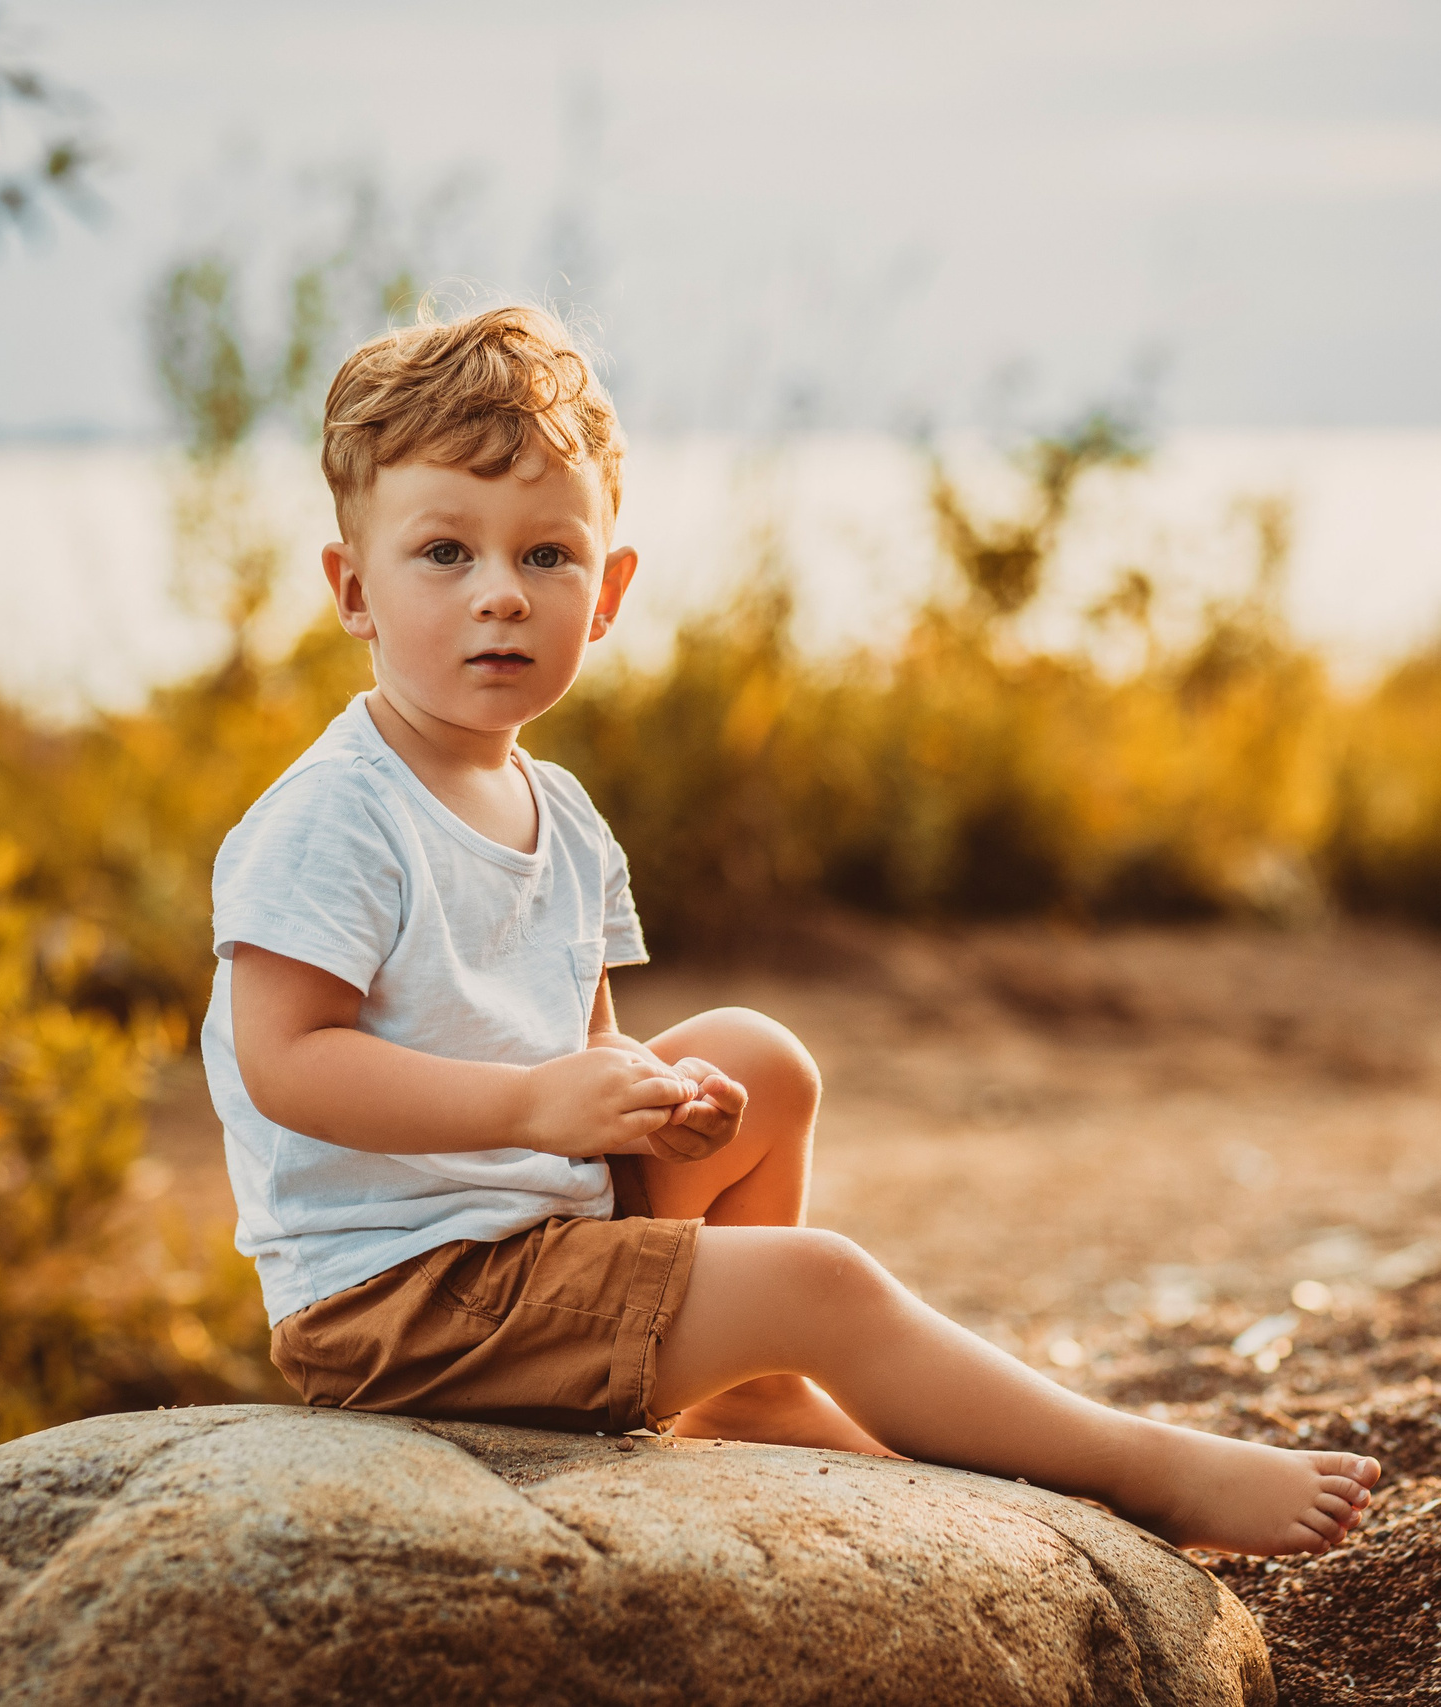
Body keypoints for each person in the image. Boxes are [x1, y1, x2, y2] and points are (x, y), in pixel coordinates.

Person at [201, 303, 1381, 1556]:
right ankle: (1145, 1471)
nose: (500, 594)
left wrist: (650, 1100)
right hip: (410, 1302)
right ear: (352, 591)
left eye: (546, 556)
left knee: (762, 1059)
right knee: (822, 1284)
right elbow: (288, 1063)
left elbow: (579, 1047)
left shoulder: (565, 815)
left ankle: (746, 1390)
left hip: (530, 1230)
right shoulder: (336, 818)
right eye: (445, 554)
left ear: (605, 595)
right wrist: (536, 1110)